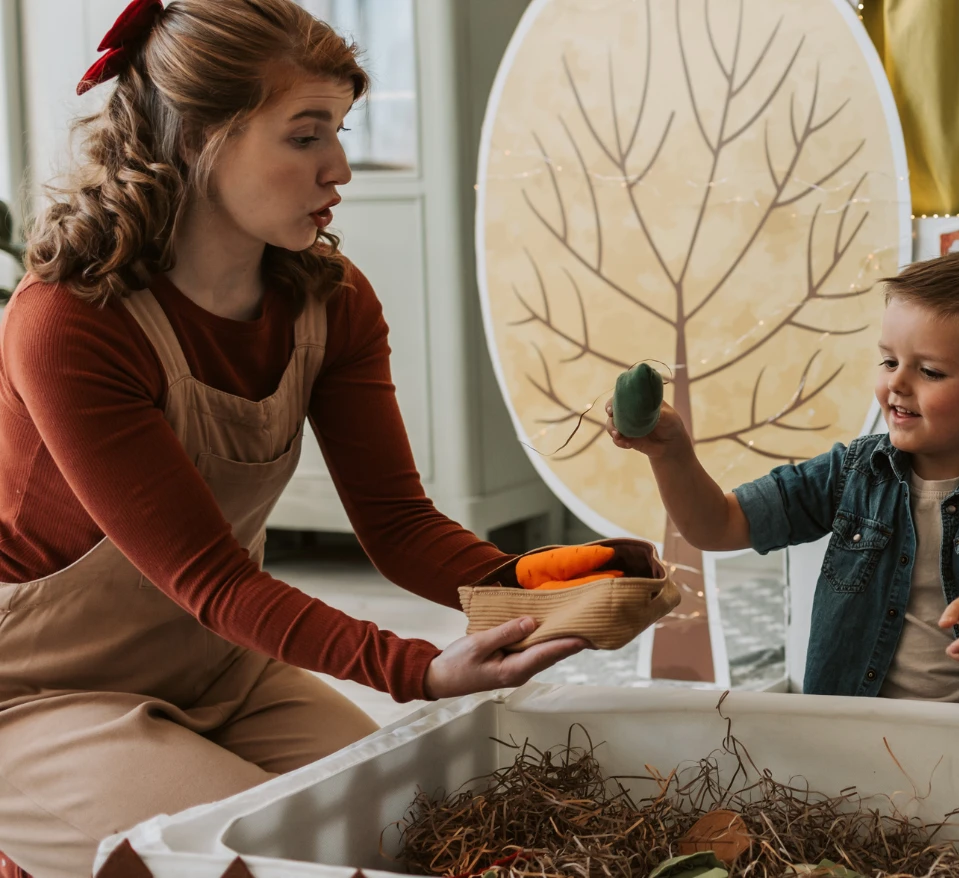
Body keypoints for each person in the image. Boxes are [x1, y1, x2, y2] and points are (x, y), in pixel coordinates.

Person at [0, 1, 586, 870]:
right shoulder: (69, 323)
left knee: (432, 825)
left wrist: (555, 588)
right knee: (259, 859)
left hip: (222, 666)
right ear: (200, 138)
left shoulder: (331, 301)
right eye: (306, 136)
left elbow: (397, 523)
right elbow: (212, 577)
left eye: (340, 131)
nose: (340, 168)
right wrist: (417, 671)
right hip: (36, 696)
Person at [610, 251, 959, 715]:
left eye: (929, 371)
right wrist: (671, 454)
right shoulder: (852, 473)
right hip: (860, 732)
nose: (897, 384)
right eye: (888, 362)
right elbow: (717, 526)